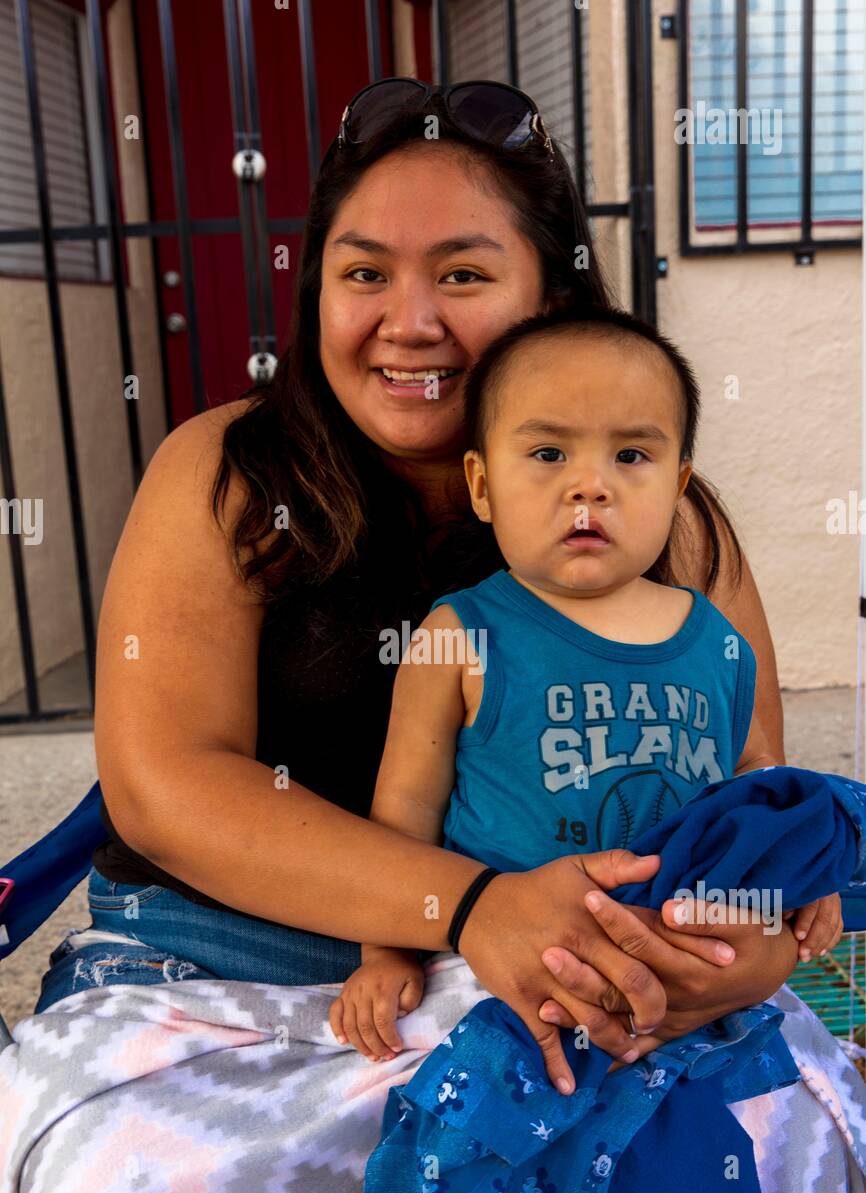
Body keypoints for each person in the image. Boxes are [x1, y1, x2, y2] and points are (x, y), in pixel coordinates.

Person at [33, 79, 816, 1100]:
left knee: (773, 1170)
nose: (408, 323)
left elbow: (747, 797)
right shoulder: (229, 470)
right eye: (364, 273)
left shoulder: (662, 516)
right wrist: (472, 907)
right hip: (224, 958)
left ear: (554, 298)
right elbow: (161, 786)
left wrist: (741, 951)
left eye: (460, 274)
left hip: (578, 977)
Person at [329, 304, 843, 1064]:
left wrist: (802, 869)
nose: (589, 487)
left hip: (690, 984)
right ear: (480, 484)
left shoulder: (719, 644)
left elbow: (756, 787)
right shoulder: (461, 636)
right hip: (511, 980)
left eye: (632, 456)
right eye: (546, 454)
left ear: (679, 485)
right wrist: (385, 954)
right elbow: (404, 810)